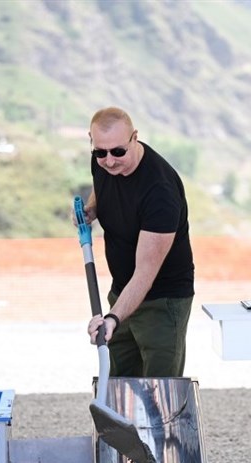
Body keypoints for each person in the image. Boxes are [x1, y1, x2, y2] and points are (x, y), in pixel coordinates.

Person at [79, 107, 195, 378]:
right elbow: (102, 185)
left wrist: (113, 318)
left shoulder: (160, 191)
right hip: (122, 292)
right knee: (119, 383)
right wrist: (92, 208)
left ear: (135, 138)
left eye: (118, 152)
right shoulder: (103, 162)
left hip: (162, 301)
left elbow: (145, 274)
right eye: (100, 152)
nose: (109, 161)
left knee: (159, 388)